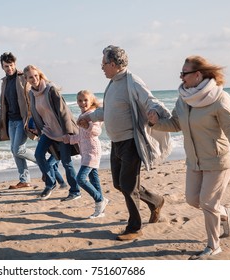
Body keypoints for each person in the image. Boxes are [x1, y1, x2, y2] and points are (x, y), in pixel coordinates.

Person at [148, 55, 230, 259]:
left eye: (184, 73)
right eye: (181, 73)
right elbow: (175, 124)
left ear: (197, 75)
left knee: (208, 203)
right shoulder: (183, 98)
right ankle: (224, 214)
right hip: (194, 161)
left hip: (218, 160)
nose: (181, 77)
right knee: (193, 200)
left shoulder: (219, 97)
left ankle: (213, 245)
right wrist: (155, 122)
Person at [78, 45, 171, 241]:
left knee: (128, 187)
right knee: (120, 184)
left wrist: (155, 112)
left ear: (113, 64)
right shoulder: (112, 84)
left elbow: (150, 100)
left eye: (103, 63)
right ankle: (156, 201)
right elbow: (108, 111)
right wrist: (91, 117)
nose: (101, 67)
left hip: (131, 142)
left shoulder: (132, 81)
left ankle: (134, 228)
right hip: (116, 142)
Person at [44, 90, 108, 218]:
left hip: (92, 151)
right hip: (85, 152)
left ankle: (100, 199)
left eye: (85, 100)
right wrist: (68, 139)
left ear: (91, 102)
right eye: (80, 100)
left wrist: (87, 126)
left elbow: (97, 131)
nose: (82, 103)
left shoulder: (92, 115)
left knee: (81, 179)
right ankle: (100, 208)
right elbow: (81, 137)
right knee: (94, 179)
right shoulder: (81, 116)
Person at [23, 64, 81, 201]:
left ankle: (75, 191)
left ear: (40, 75)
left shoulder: (51, 90)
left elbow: (63, 112)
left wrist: (67, 133)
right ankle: (50, 183)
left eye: (36, 76)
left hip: (62, 131)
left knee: (66, 162)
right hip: (48, 131)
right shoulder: (31, 93)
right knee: (38, 154)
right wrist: (38, 129)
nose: (34, 79)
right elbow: (37, 114)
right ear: (26, 79)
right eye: (30, 77)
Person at [0, 52, 36, 189]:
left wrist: (34, 118)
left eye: (11, 65)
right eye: (6, 66)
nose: (9, 68)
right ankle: (24, 180)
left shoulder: (22, 77)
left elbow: (33, 97)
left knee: (18, 150)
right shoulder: (4, 82)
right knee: (14, 150)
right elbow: (2, 105)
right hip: (10, 121)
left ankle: (43, 162)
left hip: (23, 120)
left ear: (15, 64)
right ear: (2, 67)